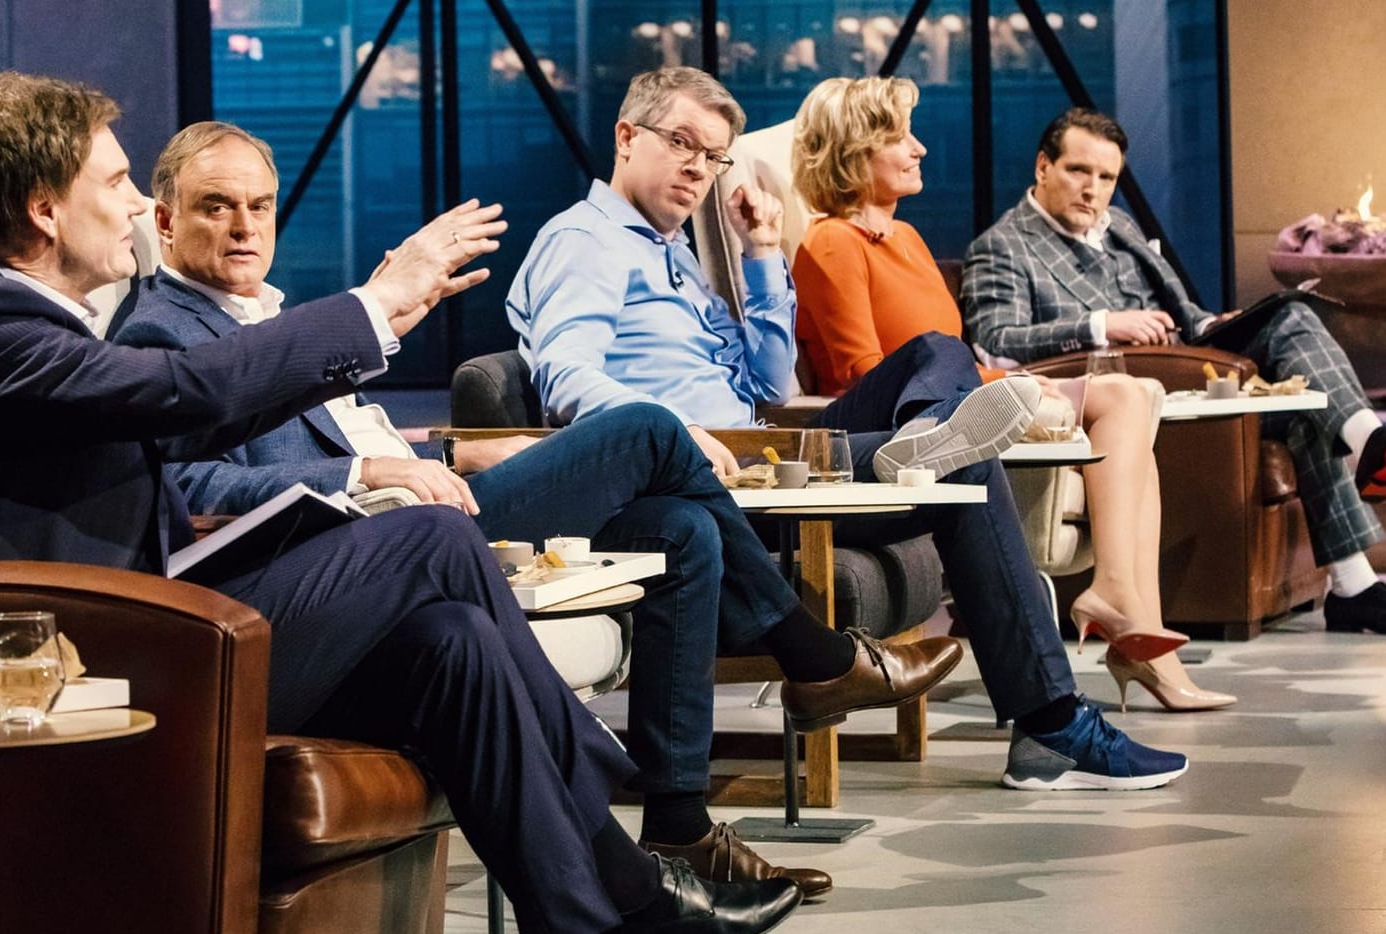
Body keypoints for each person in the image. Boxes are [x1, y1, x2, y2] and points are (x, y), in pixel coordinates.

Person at [0, 71, 814, 934]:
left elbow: (180, 433)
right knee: (438, 541)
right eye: (116, 183)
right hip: (81, 670)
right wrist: (379, 300)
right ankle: (622, 862)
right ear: (43, 207)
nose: (140, 205)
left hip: (147, 628)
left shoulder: (21, 321)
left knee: (450, 649)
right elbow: (186, 399)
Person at [112, 122, 969, 901]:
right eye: (215, 208)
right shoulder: (163, 333)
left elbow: (338, 434)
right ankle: (813, 657)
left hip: (428, 495)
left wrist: (450, 453)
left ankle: (679, 824)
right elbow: (182, 490)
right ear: (163, 218)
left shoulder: (272, 313)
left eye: (258, 205)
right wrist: (361, 470)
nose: (243, 227)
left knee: (684, 532)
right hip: (382, 552)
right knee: (642, 428)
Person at [509, 65, 1192, 791]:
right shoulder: (587, 240)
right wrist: (678, 431)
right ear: (625, 136)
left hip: (761, 450)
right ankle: (1053, 725)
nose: (698, 170)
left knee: (937, 353)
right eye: (681, 143)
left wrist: (763, 251)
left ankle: (925, 439)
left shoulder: (671, 249)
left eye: (712, 157)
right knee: (965, 460)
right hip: (710, 477)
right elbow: (567, 379)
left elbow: (768, 385)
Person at [789, 77, 1232, 712]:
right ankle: (1129, 624)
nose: (919, 149)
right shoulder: (832, 241)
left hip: (962, 401)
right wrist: (1008, 383)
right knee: (1121, 397)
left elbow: (957, 359)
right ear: (854, 150)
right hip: (898, 424)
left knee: (1138, 396)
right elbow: (867, 371)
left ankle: (1129, 612)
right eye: (899, 137)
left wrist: (1009, 381)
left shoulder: (908, 240)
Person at [964, 106, 1386, 636]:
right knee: (1293, 354)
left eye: (1106, 178)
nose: (1092, 190)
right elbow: (997, 343)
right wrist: (1102, 324)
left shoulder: (1119, 224)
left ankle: (1354, 580)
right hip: (1124, 385)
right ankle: (1369, 454)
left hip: (1187, 359)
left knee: (1291, 319)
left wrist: (1213, 322)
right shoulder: (1002, 246)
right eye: (1078, 171)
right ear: (1042, 166)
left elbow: (1180, 310)